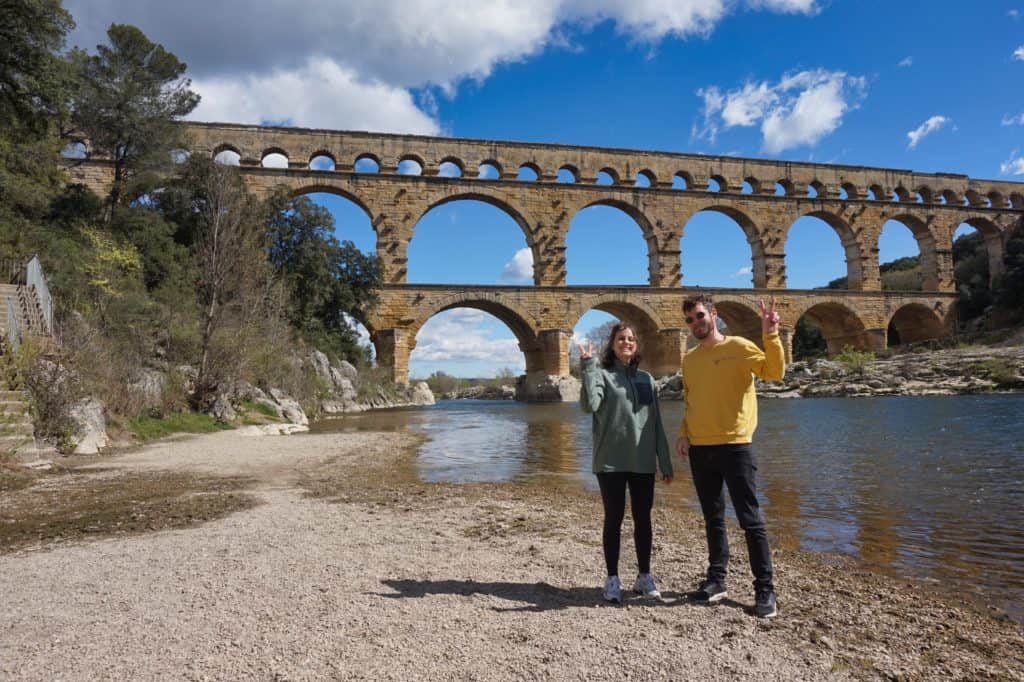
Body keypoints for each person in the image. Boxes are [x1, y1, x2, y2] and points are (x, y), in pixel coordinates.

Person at [676, 294, 784, 618]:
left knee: (750, 520)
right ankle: (716, 580)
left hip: (736, 445)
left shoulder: (739, 346)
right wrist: (683, 433)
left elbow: (775, 372)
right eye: (690, 320)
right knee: (713, 517)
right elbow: (691, 400)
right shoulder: (690, 359)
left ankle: (765, 590)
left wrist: (771, 333)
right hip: (700, 447)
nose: (696, 323)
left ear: (713, 313)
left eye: (699, 316)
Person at [578, 321, 674, 603]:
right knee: (614, 519)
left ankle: (644, 577)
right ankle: (612, 579)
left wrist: (664, 462)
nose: (626, 342)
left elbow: (655, 424)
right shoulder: (601, 374)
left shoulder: (646, 379)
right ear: (612, 344)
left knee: (643, 519)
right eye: (621, 338)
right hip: (610, 461)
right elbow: (589, 406)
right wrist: (587, 367)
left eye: (631, 338)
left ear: (636, 344)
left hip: (642, 461)